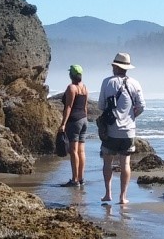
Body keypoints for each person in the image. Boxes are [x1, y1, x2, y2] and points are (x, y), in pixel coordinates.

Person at [98, 52, 145, 205]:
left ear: (115, 67)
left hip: (111, 130)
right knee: (125, 164)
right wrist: (131, 116)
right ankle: (123, 197)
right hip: (129, 131)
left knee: (107, 163)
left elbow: (101, 106)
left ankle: (107, 194)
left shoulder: (107, 82)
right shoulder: (135, 83)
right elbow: (141, 106)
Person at [58, 65, 88, 186]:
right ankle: (81, 178)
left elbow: (68, 107)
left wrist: (63, 124)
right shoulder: (84, 87)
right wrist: (85, 119)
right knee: (81, 151)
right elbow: (85, 107)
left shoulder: (71, 88)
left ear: (71, 75)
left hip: (74, 121)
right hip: (83, 120)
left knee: (73, 151)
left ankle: (75, 180)